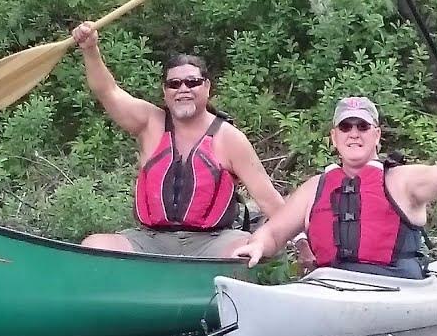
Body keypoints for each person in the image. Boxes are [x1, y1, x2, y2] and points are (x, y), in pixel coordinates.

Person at [71, 21, 284, 257]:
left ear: (207, 87)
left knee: (246, 248)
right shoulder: (148, 123)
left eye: (192, 82)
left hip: (214, 242)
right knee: (95, 244)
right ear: (165, 92)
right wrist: (90, 49)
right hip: (150, 241)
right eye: (174, 84)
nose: (183, 89)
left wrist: (302, 241)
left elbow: (271, 202)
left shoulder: (230, 138)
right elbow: (107, 91)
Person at [234, 96, 437, 279]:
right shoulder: (315, 188)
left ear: (376, 135)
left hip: (395, 286)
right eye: (346, 127)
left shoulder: (402, 180)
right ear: (334, 137)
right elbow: (274, 233)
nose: (353, 134)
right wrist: (258, 244)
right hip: (331, 286)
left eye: (362, 126)